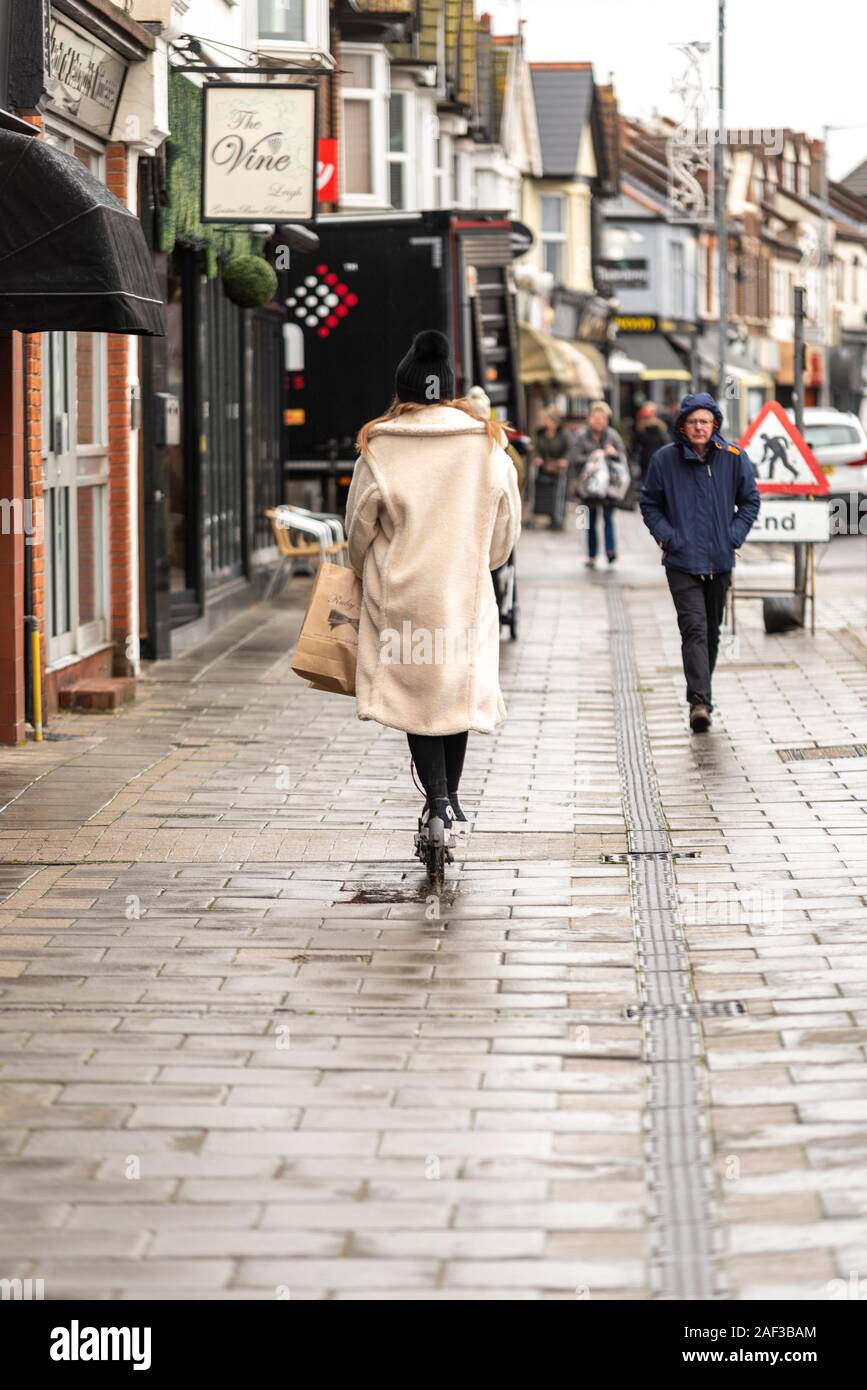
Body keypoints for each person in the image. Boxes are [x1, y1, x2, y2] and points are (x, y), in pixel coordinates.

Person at [344, 330, 522, 841]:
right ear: (448, 389)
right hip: (463, 592)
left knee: (416, 697)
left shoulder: (379, 445)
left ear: (401, 390)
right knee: (455, 692)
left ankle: (437, 802)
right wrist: (485, 561)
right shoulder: (486, 443)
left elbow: (358, 527)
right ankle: (452, 804)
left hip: (401, 593)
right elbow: (505, 526)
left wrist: (365, 567)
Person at [639, 391, 761, 733]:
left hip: (720, 560)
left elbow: (750, 500)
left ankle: (701, 693)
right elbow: (649, 503)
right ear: (682, 425)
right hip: (681, 561)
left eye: (704, 421)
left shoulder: (734, 457)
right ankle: (700, 702)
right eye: (692, 421)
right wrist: (668, 537)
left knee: (711, 632)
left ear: (715, 424)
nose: (698, 427)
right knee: (693, 628)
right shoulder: (665, 460)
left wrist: (732, 536)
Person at [573, 400, 628, 567]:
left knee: (608, 517)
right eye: (596, 418)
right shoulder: (582, 436)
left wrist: (614, 453)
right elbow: (575, 459)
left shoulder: (612, 435)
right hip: (588, 486)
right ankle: (591, 554)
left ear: (607, 420)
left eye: (602, 418)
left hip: (608, 486)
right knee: (589, 521)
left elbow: (623, 457)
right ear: (590, 418)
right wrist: (593, 456)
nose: (599, 421)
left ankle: (610, 552)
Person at [633, 401, 671, 478]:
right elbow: (667, 443)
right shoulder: (662, 427)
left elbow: (635, 446)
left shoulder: (640, 428)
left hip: (645, 459)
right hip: (658, 458)